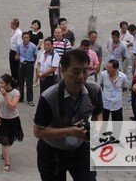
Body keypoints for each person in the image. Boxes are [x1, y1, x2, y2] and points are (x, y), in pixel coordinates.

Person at [33, 49, 103, 181]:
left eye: (85, 71)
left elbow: (98, 114)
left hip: (81, 149)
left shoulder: (94, 90)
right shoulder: (49, 97)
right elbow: (38, 131)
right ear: (63, 70)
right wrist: (70, 131)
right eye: (75, 71)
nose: (81, 77)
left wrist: (95, 131)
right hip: (52, 152)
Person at [0, 74, 24, 172]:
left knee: (10, 140)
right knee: (4, 141)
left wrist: (6, 95)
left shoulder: (15, 93)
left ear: (8, 84)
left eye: (2, 83)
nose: (0, 85)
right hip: (2, 120)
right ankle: (7, 163)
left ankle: (5, 151)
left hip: (13, 119)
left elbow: (11, 107)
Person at [16, 31, 38, 106]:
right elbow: (18, 54)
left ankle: (30, 99)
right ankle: (21, 97)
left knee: (29, 82)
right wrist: (17, 57)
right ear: (22, 38)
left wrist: (32, 63)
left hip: (29, 64)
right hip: (21, 64)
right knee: (20, 82)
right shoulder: (19, 45)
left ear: (29, 38)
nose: (26, 39)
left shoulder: (33, 46)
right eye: (24, 37)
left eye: (27, 37)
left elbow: (35, 56)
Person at [29, 20, 44, 86]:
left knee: (36, 66)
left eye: (35, 25)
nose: (34, 26)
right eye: (33, 24)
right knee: (30, 66)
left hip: (37, 52)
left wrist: (34, 50)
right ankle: (29, 80)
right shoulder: (29, 32)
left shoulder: (40, 34)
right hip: (29, 51)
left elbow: (39, 43)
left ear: (38, 26)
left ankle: (36, 81)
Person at [8, 19, 22, 83]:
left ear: (14, 25)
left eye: (11, 24)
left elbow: (19, 45)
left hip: (15, 52)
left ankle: (18, 81)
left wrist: (17, 54)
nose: (10, 25)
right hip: (12, 51)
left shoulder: (18, 33)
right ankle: (14, 79)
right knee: (12, 66)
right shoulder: (13, 31)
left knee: (15, 67)